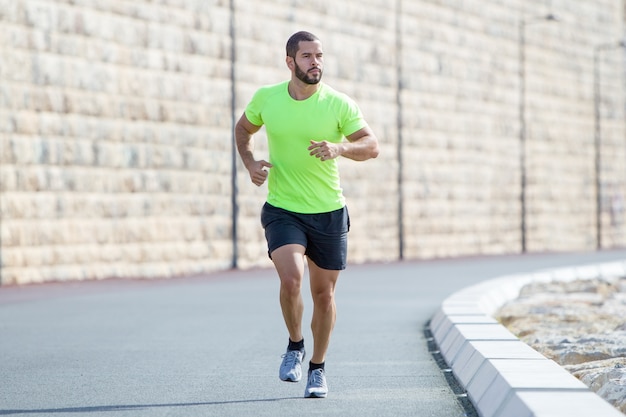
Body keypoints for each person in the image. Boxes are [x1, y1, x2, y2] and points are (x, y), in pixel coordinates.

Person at [234, 30, 379, 398]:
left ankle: (317, 367)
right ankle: (295, 344)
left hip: (329, 212)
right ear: (290, 61)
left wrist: (340, 148)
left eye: (320, 56)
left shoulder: (338, 104)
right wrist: (250, 162)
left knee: (324, 296)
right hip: (283, 209)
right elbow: (243, 129)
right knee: (291, 280)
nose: (316, 62)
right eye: (307, 56)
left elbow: (371, 146)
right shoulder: (267, 98)